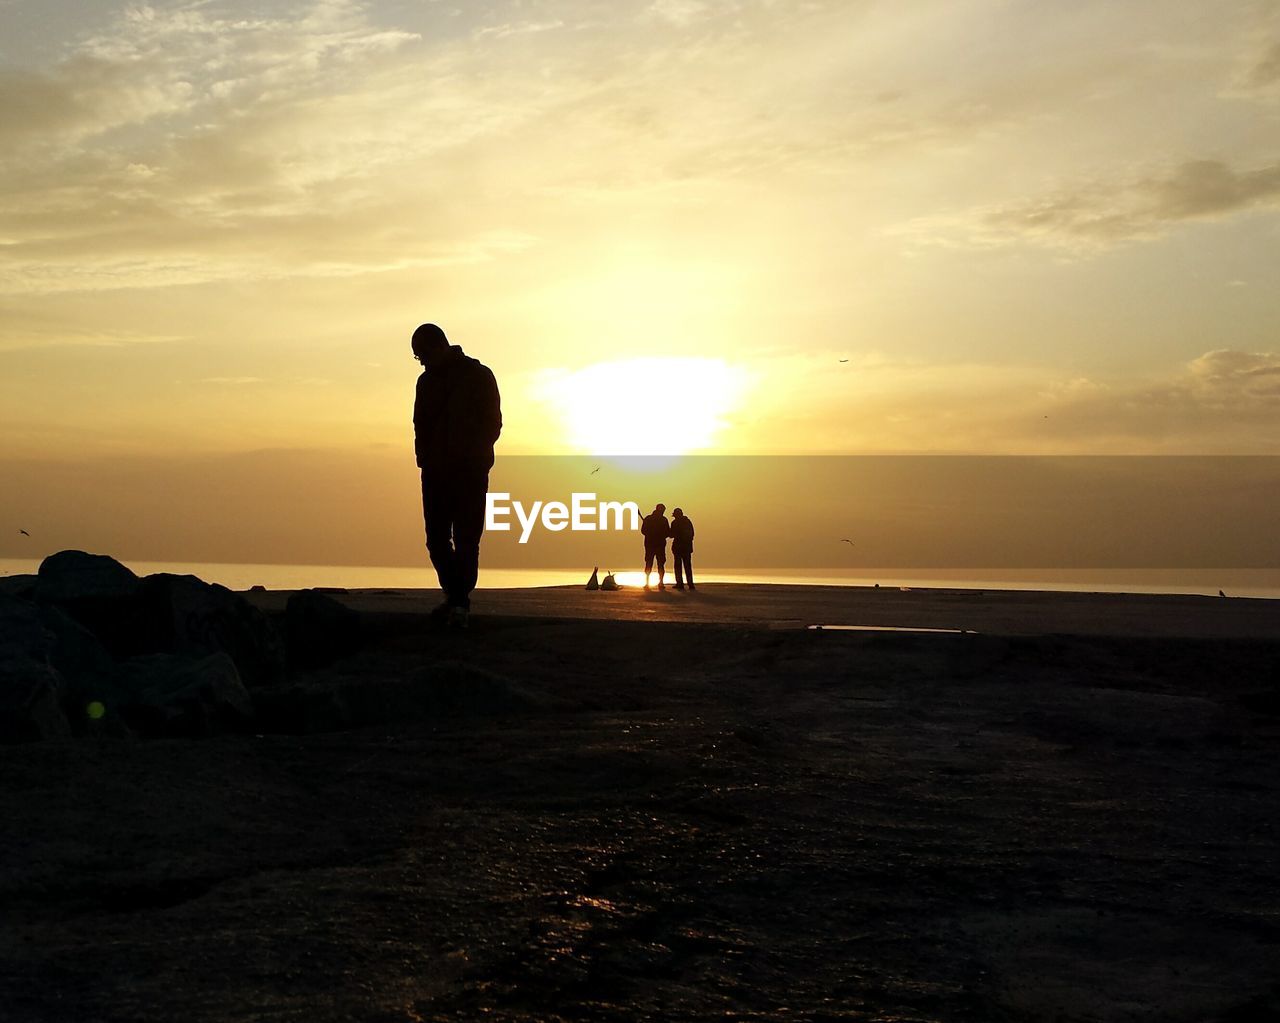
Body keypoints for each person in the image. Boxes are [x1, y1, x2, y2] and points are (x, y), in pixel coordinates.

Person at [412, 323, 502, 628]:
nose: (421, 361)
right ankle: (455, 597)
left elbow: (494, 422)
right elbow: (419, 424)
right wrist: (423, 458)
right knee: (436, 540)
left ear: (438, 346)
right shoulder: (425, 383)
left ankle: (460, 602)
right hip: (435, 472)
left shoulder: (478, 375)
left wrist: (475, 457)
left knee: (467, 539)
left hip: (469, 472)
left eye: (421, 355)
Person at [640, 503, 671, 591]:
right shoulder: (651, 519)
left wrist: (662, 534)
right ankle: (648, 583)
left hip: (658, 545)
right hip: (652, 545)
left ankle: (660, 582)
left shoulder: (651, 519)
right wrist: (654, 534)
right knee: (650, 564)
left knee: (659, 564)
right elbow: (643, 531)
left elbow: (667, 532)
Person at [670, 507, 695, 590]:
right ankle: (690, 584)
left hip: (679, 547)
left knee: (678, 566)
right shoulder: (687, 522)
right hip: (686, 547)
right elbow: (692, 534)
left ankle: (680, 583)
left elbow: (671, 534)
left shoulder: (675, 523)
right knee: (687, 566)